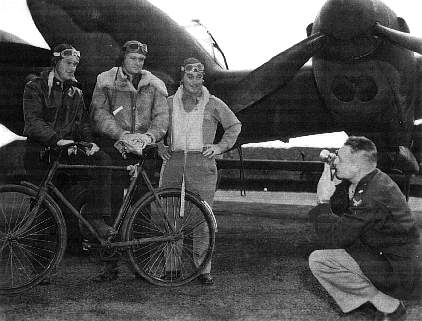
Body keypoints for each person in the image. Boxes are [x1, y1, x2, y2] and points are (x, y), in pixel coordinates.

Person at [308, 136, 420, 321]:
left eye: (340, 159)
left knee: (321, 261)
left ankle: (390, 307)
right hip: (393, 260)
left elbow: (332, 238)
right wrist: (335, 186)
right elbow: (346, 220)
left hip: (402, 273)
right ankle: (386, 304)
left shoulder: (372, 194)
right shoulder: (373, 180)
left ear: (356, 167)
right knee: (331, 255)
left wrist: (322, 201)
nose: (335, 160)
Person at [158, 57, 241, 285]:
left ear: (203, 78)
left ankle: (203, 269)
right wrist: (160, 146)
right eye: (190, 76)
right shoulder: (168, 102)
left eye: (199, 77)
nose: (194, 81)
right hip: (174, 160)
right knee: (170, 215)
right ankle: (171, 268)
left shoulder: (213, 103)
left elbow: (234, 125)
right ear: (182, 77)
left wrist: (219, 147)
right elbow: (155, 127)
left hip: (201, 162)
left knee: (203, 217)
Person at [90, 40, 169, 280]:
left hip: (144, 151)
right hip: (116, 148)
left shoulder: (155, 85)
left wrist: (148, 137)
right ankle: (108, 265)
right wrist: (122, 135)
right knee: (111, 207)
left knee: (143, 208)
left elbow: (162, 117)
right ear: (123, 58)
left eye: (141, 60)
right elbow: (99, 113)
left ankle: (142, 266)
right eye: (133, 58)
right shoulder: (105, 80)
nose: (137, 63)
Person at [23, 43, 116, 245]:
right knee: (43, 209)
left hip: (66, 151)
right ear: (56, 62)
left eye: (75, 64)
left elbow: (81, 123)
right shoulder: (35, 87)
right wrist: (57, 140)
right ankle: (40, 268)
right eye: (68, 63)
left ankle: (95, 217)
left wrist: (89, 143)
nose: (72, 67)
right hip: (41, 154)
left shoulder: (76, 91)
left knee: (102, 159)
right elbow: (33, 123)